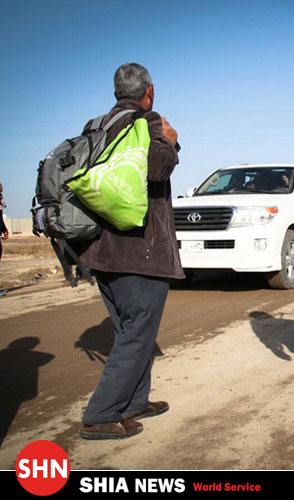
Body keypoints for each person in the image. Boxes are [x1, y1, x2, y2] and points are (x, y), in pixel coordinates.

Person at [77, 63, 184, 440]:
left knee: (131, 330)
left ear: (115, 93)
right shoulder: (148, 122)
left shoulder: (97, 126)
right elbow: (156, 170)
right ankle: (101, 414)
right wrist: (169, 140)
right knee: (138, 332)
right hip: (139, 252)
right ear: (148, 92)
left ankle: (135, 401)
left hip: (100, 252)